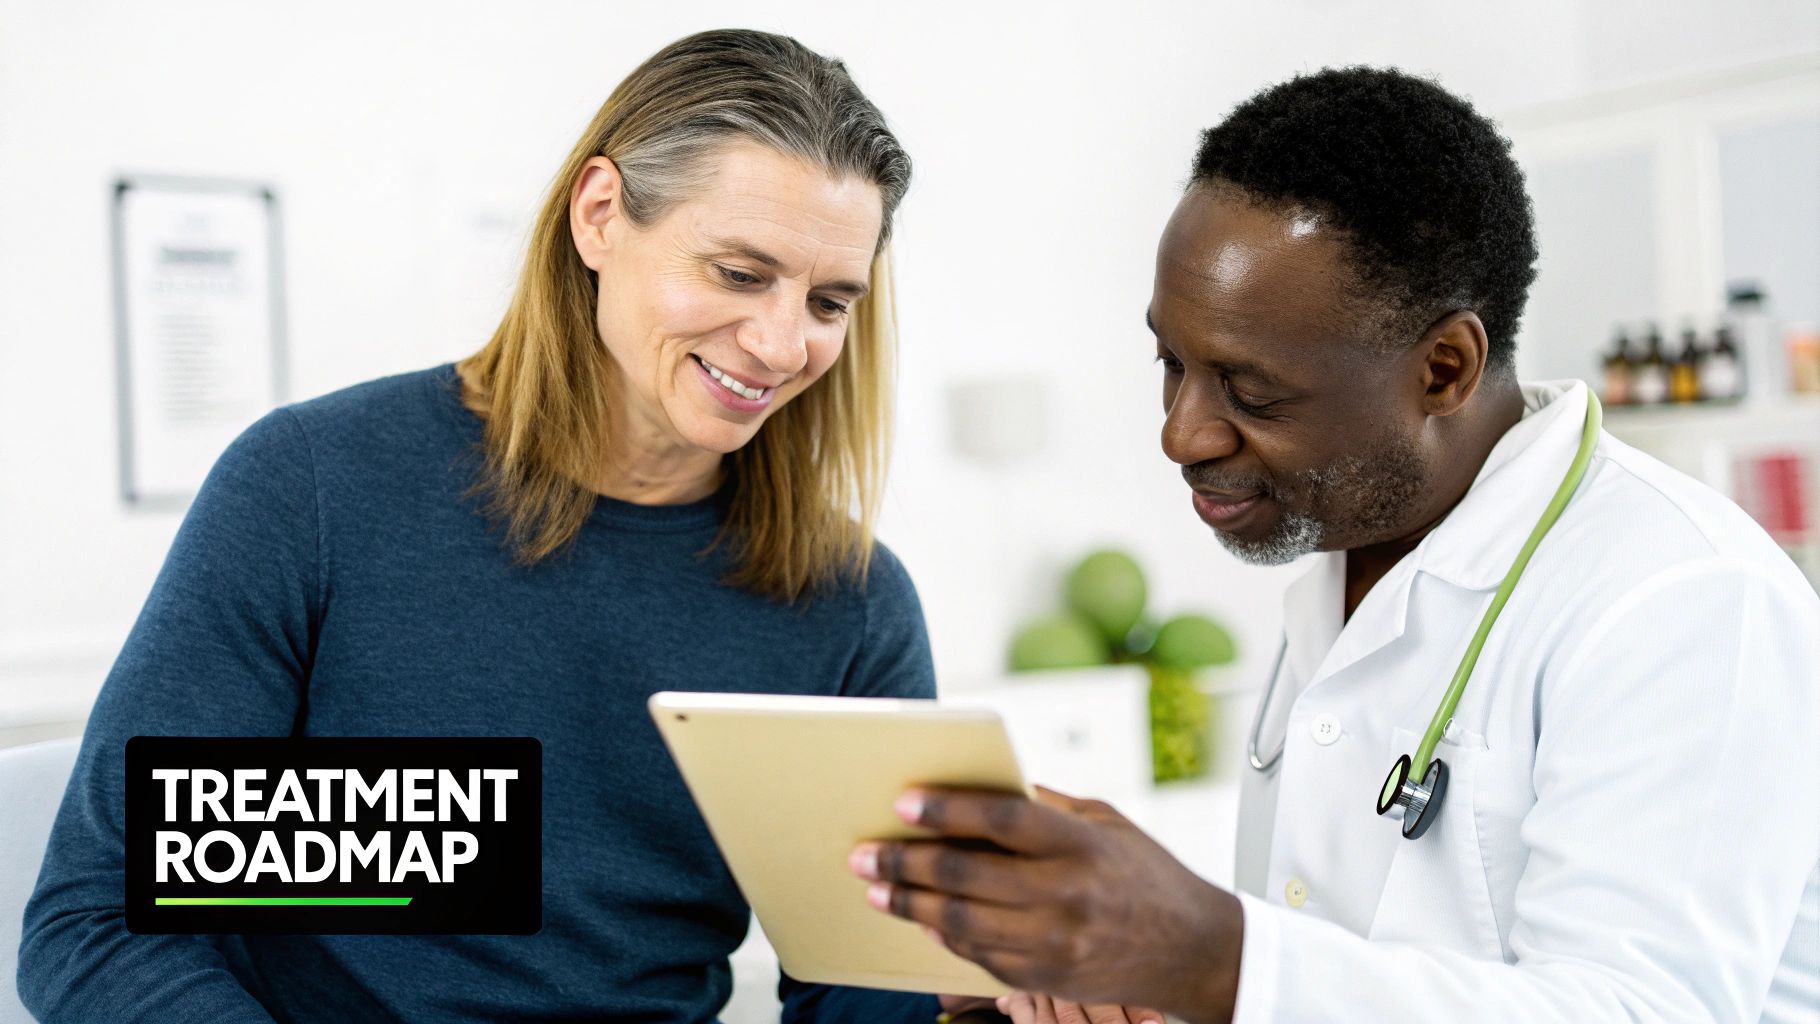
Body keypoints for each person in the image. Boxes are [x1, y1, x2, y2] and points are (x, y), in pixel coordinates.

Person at [847, 67, 1820, 1023]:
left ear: (1442, 367)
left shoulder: (1683, 596)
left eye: (1250, 391)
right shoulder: (1346, 559)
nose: (1181, 434)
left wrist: (1207, 956)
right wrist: (1128, 977)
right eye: (1170, 363)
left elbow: (1637, 1008)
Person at [20, 28, 950, 1023]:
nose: (779, 342)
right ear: (599, 215)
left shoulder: (850, 605)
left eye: (827, 300)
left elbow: (870, 994)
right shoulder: (312, 492)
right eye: (736, 273)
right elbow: (98, 926)